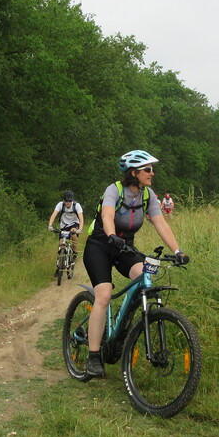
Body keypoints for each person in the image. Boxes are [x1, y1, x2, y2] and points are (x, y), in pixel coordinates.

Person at [81, 149, 189, 378]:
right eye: (147, 169)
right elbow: (107, 215)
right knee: (104, 295)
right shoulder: (114, 190)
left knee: (145, 275)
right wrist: (111, 235)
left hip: (125, 248)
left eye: (152, 169)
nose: (152, 173)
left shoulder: (148, 195)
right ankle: (93, 356)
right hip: (100, 245)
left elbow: (161, 223)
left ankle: (122, 329)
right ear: (133, 172)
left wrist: (177, 251)